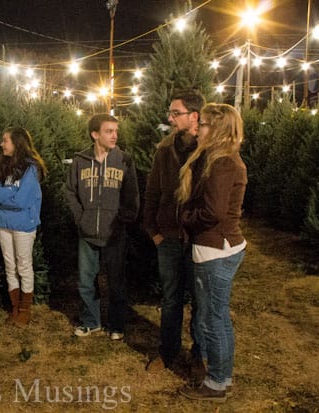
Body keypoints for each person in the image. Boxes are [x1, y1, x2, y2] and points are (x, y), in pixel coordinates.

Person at [176, 103, 247, 402]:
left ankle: (216, 383)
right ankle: (223, 376)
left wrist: (185, 218)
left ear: (216, 129)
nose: (197, 128)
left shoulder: (223, 163)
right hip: (218, 245)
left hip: (214, 247)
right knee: (217, 316)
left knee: (211, 319)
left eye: (203, 124)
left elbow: (214, 212)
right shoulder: (219, 159)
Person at [143, 90, 206, 374]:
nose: (170, 118)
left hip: (199, 240)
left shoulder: (208, 151)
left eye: (175, 113)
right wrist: (153, 231)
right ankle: (167, 353)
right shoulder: (164, 151)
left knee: (200, 301)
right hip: (168, 238)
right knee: (171, 300)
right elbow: (152, 193)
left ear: (194, 116)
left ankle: (199, 355)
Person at [64, 114, 139, 340]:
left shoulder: (124, 160)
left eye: (116, 131)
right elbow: (69, 190)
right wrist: (81, 218)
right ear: (95, 134)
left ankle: (116, 325)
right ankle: (91, 321)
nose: (115, 135)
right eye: (109, 131)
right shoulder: (80, 160)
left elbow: (132, 195)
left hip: (114, 233)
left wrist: (123, 220)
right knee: (86, 281)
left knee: (116, 280)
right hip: (87, 232)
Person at [0, 127, 47, 325]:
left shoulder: (31, 168)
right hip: (3, 223)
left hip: (23, 225)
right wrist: (11, 191)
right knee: (9, 265)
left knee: (23, 265)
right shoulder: (4, 166)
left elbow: (21, 201)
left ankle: (24, 309)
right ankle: (14, 307)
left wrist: (4, 195)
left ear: (17, 143)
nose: (1, 144)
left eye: (5, 141)